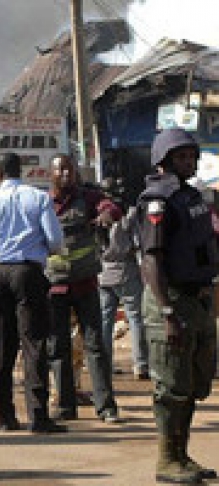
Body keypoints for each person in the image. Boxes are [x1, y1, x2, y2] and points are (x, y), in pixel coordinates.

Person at [0, 152, 66, 434]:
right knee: (34, 344)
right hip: (28, 272)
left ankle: (4, 416)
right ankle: (38, 416)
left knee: (0, 346)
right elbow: (55, 241)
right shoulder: (39, 198)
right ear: (20, 170)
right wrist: (42, 249)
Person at [137, 128, 218, 484]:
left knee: (195, 383)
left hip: (196, 300)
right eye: (180, 157)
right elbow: (151, 260)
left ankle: (182, 455)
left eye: (191, 156)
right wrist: (167, 312)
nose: (188, 162)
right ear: (164, 160)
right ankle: (167, 460)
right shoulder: (158, 201)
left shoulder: (191, 197)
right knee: (172, 387)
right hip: (170, 302)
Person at [46, 154, 123, 424]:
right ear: (51, 174)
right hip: (55, 288)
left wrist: (106, 214)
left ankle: (106, 407)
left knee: (95, 346)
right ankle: (65, 406)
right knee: (58, 348)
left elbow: (112, 208)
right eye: (61, 171)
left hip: (85, 285)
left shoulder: (89, 198)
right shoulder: (44, 203)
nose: (67, 175)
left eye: (70, 170)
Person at [98, 201, 149, 380]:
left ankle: (104, 364)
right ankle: (141, 364)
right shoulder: (128, 218)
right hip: (127, 272)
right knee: (135, 318)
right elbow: (138, 244)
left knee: (105, 321)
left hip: (103, 273)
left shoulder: (97, 218)